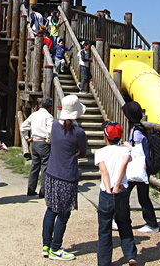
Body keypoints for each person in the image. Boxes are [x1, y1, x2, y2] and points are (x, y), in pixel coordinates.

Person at [41, 95, 88, 261]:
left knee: (51, 209)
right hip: (67, 175)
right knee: (64, 213)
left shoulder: (54, 126)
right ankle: (56, 247)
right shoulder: (78, 132)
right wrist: (76, 151)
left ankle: (46, 245)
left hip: (52, 173)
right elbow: (83, 151)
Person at [95, 121, 137, 266]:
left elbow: (104, 171)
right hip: (121, 191)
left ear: (105, 137)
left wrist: (109, 188)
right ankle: (130, 254)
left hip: (106, 192)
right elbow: (124, 165)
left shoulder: (100, 152)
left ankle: (104, 261)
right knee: (124, 223)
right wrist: (117, 185)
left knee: (104, 228)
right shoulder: (125, 151)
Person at [122, 100, 159, 233]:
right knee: (141, 196)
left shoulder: (136, 131)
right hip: (143, 167)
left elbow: (138, 151)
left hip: (139, 168)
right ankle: (151, 222)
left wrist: (127, 145)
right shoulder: (140, 127)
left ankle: (150, 223)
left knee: (126, 193)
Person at [20, 97, 54, 197]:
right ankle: (43, 191)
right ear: (50, 107)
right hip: (43, 142)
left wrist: (27, 137)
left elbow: (23, 127)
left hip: (34, 142)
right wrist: (48, 140)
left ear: (41, 105)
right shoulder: (49, 116)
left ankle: (31, 189)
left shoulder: (33, 115)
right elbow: (50, 130)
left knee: (34, 166)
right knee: (44, 167)